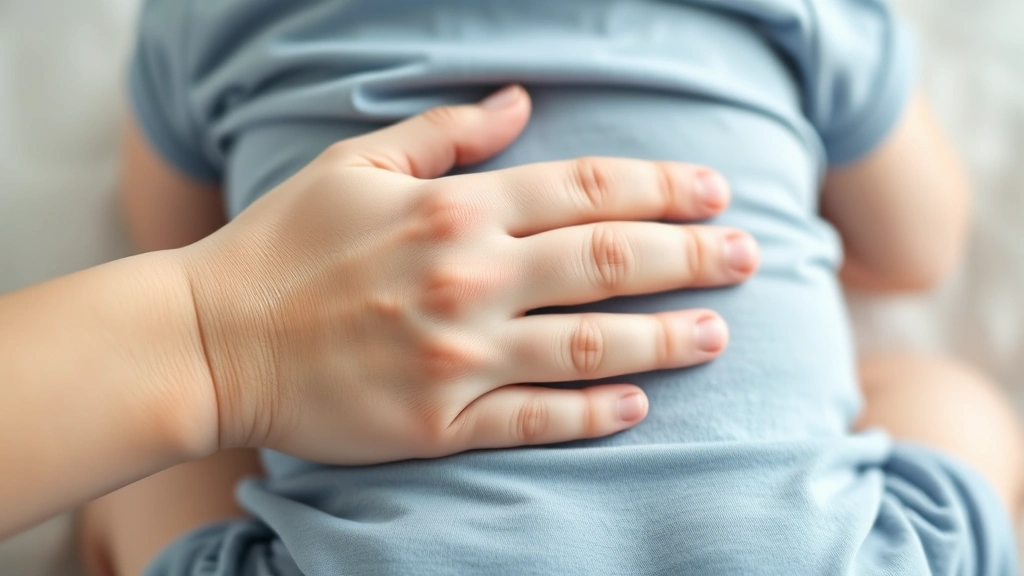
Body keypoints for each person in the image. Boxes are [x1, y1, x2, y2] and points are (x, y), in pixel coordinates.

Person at [84, 0, 1024, 574]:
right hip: (826, 556)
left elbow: (182, 247)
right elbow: (920, 249)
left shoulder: (209, 14)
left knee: (149, 440)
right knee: (942, 393)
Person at [0, 95, 757, 541]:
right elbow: (881, 257)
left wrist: (219, 338)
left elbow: (162, 223)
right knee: (882, 373)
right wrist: (232, 347)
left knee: (139, 487)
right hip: (798, 533)